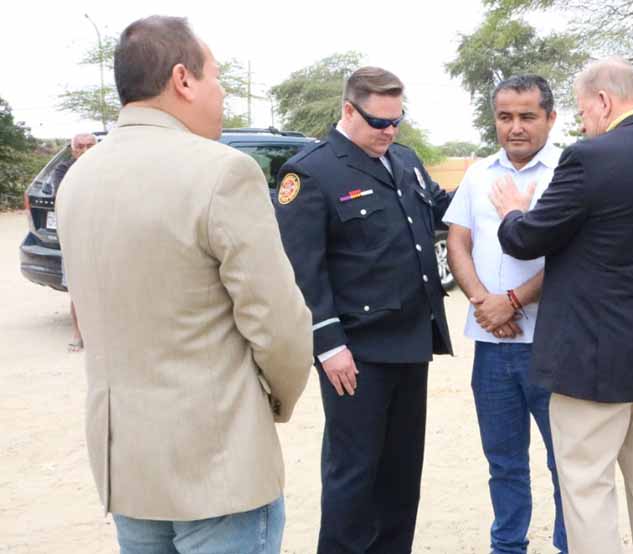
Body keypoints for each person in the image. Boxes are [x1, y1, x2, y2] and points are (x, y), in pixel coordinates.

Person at [55, 15, 312, 554]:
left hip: (126, 464)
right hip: (217, 465)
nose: (220, 93)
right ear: (183, 79)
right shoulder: (222, 172)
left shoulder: (78, 178)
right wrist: (275, 403)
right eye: (216, 77)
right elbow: (280, 325)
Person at [490, 58, 633, 554]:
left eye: (584, 111)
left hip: (593, 363)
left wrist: (511, 212)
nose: (584, 123)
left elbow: (527, 239)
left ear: (605, 101)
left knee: (587, 489)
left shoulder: (590, 158)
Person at [273, 66, 453, 554]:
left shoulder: (406, 160)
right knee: (354, 477)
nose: (389, 132)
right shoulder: (310, 171)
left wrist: (499, 190)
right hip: (357, 353)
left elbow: (444, 210)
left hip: (412, 341)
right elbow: (302, 271)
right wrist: (328, 345)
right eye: (379, 122)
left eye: (397, 121)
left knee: (400, 477)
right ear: (349, 110)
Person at [443, 74, 567, 554]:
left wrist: (512, 301)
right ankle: (508, 546)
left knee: (565, 462)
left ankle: (568, 544)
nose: (515, 127)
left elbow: (569, 254)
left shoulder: (567, 171)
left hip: (551, 345)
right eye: (505, 117)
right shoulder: (478, 174)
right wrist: (482, 301)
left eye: (527, 117)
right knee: (504, 461)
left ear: (550, 119)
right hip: (493, 349)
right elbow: (458, 239)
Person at [52, 132, 96, 352]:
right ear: (73, 149)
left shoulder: (103, 168)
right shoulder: (63, 170)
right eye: (81, 146)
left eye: (90, 145)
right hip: (73, 238)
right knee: (77, 288)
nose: (86, 150)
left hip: (100, 237)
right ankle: (78, 334)